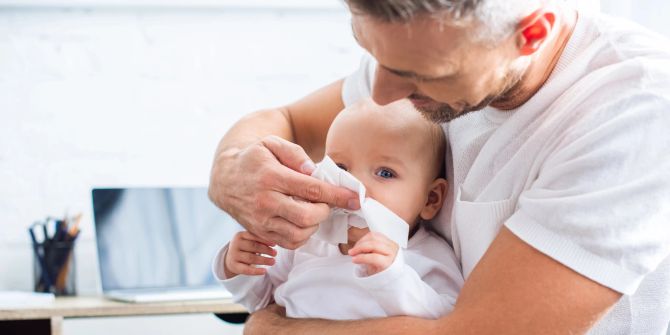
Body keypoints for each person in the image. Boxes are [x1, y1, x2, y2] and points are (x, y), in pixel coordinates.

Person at [208, 0, 670, 333]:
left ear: (530, 34)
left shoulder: (636, 111)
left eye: (423, 76)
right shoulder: (418, 51)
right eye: (374, 55)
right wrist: (230, 168)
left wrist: (271, 331)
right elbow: (284, 121)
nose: (384, 92)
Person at [213, 99, 463, 320]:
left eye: (385, 173)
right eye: (340, 168)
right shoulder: (305, 239)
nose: (354, 185)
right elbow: (262, 302)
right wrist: (238, 268)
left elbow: (448, 318)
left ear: (430, 199)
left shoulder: (428, 255)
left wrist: (392, 278)